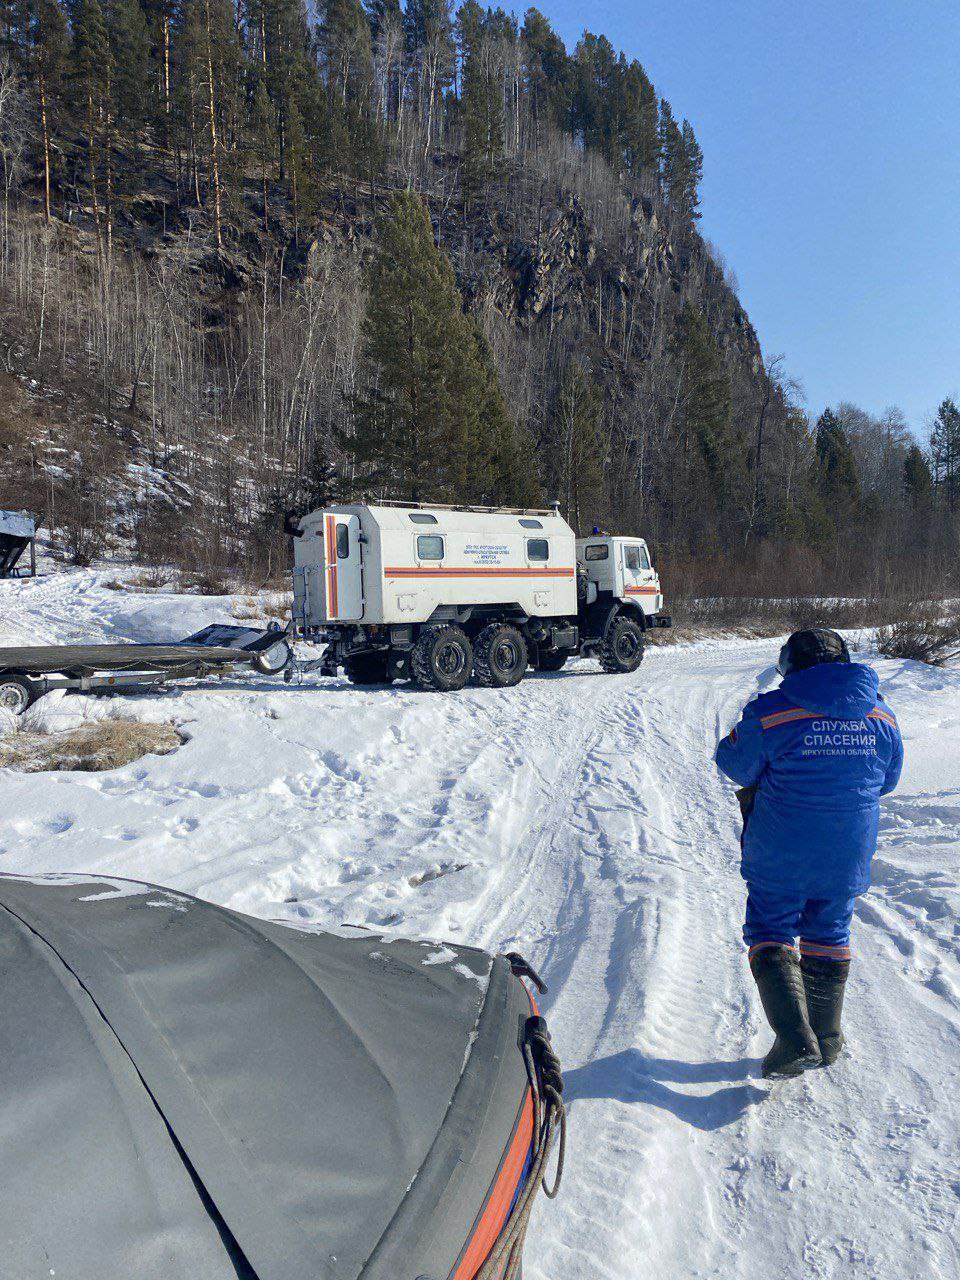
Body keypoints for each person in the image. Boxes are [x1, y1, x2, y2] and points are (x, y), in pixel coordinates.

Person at [715, 629, 903, 1078]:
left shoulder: (771, 712)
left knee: (770, 927)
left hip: (782, 847)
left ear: (791, 665)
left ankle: (794, 1039)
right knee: (830, 931)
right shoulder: (883, 716)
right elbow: (889, 780)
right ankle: (828, 1037)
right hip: (848, 852)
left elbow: (734, 764)